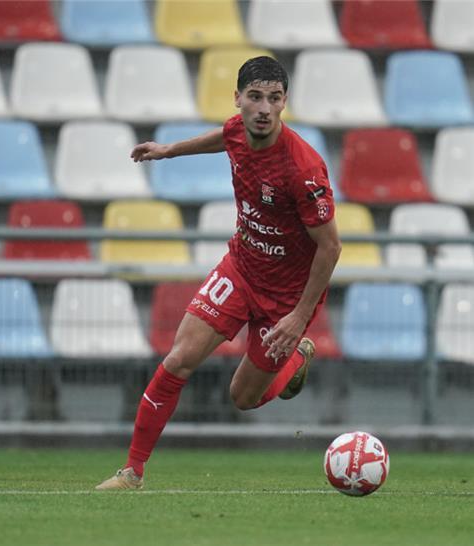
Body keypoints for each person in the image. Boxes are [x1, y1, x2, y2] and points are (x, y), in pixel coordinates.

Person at [96, 56, 342, 490]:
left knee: (242, 398)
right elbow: (225, 138)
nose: (264, 108)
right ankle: (132, 471)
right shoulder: (237, 129)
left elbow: (330, 246)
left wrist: (299, 317)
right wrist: (170, 150)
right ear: (238, 100)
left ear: (285, 102)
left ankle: (296, 355)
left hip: (285, 298)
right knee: (179, 358)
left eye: (274, 98)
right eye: (255, 97)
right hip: (242, 268)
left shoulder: (303, 170)